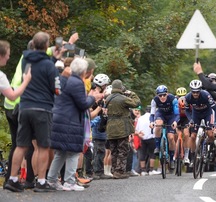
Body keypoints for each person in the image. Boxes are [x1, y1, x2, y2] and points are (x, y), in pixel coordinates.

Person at [4, 31, 61, 192]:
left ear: (34, 44)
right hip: (42, 108)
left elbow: (39, 64)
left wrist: (53, 58)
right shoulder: (49, 66)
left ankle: (13, 179)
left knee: (21, 145)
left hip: (24, 107)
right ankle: (41, 181)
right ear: (46, 45)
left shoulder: (26, 60)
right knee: (43, 146)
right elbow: (57, 89)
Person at [47, 58, 102, 191]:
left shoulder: (66, 80)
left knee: (60, 152)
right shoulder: (77, 82)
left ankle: (52, 180)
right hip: (70, 121)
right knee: (73, 152)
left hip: (59, 119)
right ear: (84, 71)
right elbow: (82, 104)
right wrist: (94, 97)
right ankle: (69, 181)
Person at [2, 40, 34, 189]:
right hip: (20, 105)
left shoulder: (23, 58)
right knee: (27, 144)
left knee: (17, 144)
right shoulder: (30, 61)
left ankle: (10, 178)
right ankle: (29, 179)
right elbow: (25, 82)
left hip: (10, 106)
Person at [105, 79, 141, 179]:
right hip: (121, 128)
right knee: (123, 150)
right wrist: (132, 93)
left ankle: (113, 170)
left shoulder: (108, 98)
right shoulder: (123, 98)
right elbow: (136, 103)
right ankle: (119, 171)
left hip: (110, 128)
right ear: (121, 88)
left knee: (114, 150)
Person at [184, 79, 216, 167]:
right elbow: (187, 110)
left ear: (200, 90)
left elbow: (215, 109)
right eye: (193, 92)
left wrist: (215, 123)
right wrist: (190, 120)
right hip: (196, 115)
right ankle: (193, 157)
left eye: (197, 92)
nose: (195, 94)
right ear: (191, 91)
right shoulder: (188, 97)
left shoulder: (206, 95)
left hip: (208, 113)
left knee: (210, 134)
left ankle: (208, 147)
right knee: (192, 136)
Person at [149, 85, 179, 170]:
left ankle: (172, 158)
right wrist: (151, 122)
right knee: (158, 124)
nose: (162, 97)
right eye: (160, 95)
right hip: (161, 114)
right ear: (157, 96)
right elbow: (152, 114)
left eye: (164, 95)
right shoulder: (154, 100)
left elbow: (177, 114)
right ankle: (158, 147)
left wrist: (175, 122)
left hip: (171, 116)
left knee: (171, 137)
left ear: (167, 94)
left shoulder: (173, 99)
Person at [135, 105, 160, 176]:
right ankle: (151, 170)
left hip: (143, 137)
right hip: (151, 137)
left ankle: (143, 170)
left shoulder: (140, 118)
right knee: (152, 153)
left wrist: (139, 134)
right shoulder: (154, 118)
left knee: (142, 153)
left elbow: (137, 129)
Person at [175, 87, 190, 164]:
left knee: (186, 135)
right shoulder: (174, 101)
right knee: (176, 135)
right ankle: (175, 153)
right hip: (177, 118)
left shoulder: (189, 100)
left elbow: (192, 112)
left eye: (184, 95)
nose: (181, 97)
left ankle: (186, 156)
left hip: (186, 118)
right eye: (179, 96)